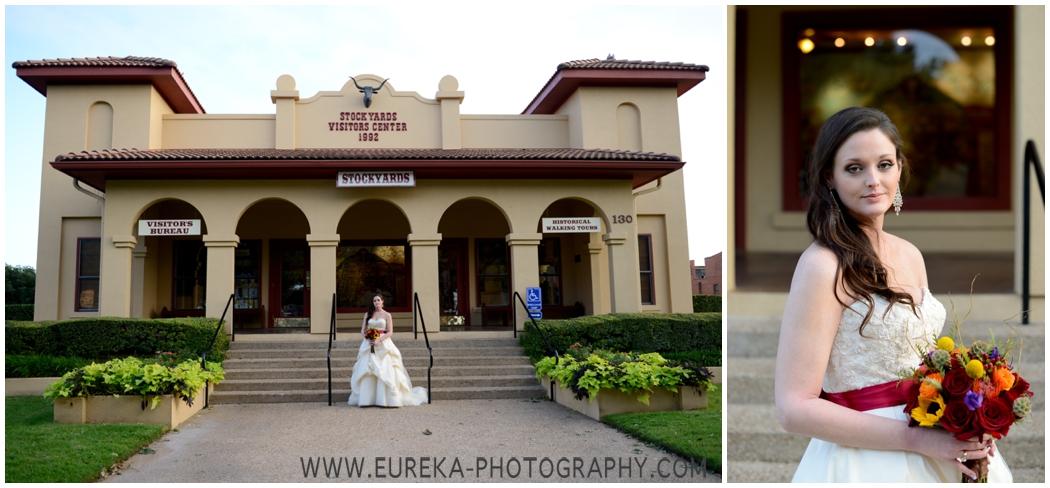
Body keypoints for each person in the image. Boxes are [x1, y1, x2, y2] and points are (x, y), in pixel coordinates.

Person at [774, 107, 1011, 482]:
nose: (873, 180)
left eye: (884, 164)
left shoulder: (910, 254)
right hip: (866, 459)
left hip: (936, 442)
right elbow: (794, 408)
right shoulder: (822, 265)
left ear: (899, 168)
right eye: (854, 168)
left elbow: (924, 362)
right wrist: (915, 440)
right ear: (829, 178)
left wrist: (966, 415)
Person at [347, 294, 428, 407]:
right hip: (369, 343)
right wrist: (368, 337)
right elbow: (363, 330)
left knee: (386, 368)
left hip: (383, 343)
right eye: (374, 300)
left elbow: (390, 332)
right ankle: (367, 399)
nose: (376, 302)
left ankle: (386, 400)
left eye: (378, 300)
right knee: (368, 368)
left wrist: (378, 340)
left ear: (382, 302)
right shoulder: (368, 314)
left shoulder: (387, 315)